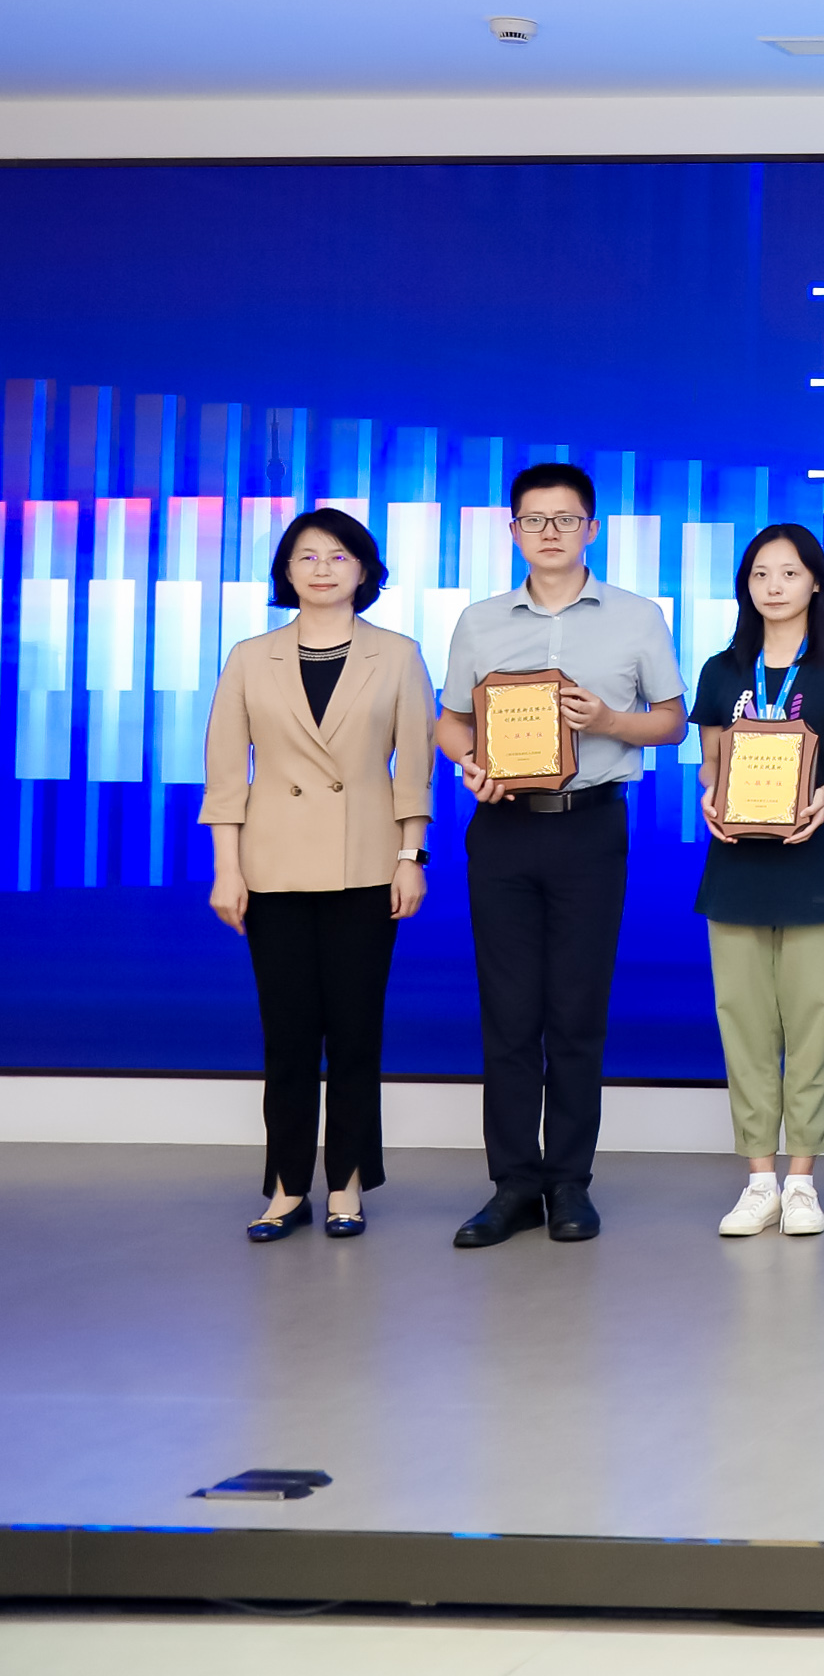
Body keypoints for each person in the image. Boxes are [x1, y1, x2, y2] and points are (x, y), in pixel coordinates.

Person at [435, 461, 688, 1249]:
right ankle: (513, 1183)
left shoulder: (637, 616)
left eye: (566, 518)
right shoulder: (479, 620)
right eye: (535, 520)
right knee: (509, 1013)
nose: (550, 532)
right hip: (503, 828)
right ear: (512, 530)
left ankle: (570, 1180)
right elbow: (449, 719)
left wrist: (610, 719)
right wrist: (468, 761)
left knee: (577, 1011)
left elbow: (673, 720)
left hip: (589, 827)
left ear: (592, 528)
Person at [202, 508, 431, 1242]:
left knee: (357, 1034)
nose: (322, 568)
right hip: (272, 868)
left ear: (364, 570)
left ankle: (348, 1182)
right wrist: (227, 869)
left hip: (367, 865)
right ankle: (284, 1186)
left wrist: (410, 857)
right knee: (288, 1036)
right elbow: (225, 776)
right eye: (306, 556)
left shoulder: (397, 654)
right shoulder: (250, 656)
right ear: (286, 571)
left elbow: (414, 770)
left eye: (338, 555)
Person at [692, 523, 824, 1239]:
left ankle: (801, 1180)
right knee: (742, 1026)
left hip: (814, 865)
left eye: (789, 573)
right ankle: (758, 1180)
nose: (774, 586)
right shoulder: (722, 669)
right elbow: (712, 763)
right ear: (746, 586)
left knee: (812, 1025)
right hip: (735, 870)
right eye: (760, 574)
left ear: (815, 583)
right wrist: (710, 796)